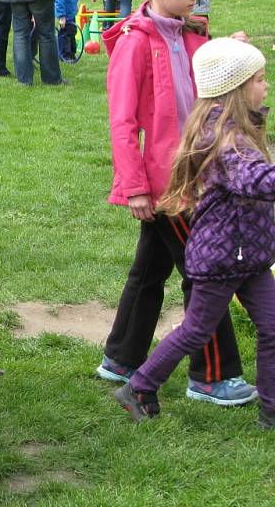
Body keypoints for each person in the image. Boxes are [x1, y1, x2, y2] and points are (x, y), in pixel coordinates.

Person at [98, 0, 257, 407]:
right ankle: (212, 376)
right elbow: (122, 122)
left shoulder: (191, 35)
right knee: (206, 271)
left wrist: (231, 51)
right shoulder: (134, 42)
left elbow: (208, 87)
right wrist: (134, 188)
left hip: (197, 174)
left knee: (151, 269)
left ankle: (121, 357)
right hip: (169, 186)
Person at [115, 38, 273, 427]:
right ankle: (140, 385)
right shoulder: (226, 138)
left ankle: (271, 409)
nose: (266, 87)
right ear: (236, 89)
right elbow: (258, 181)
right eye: (259, 79)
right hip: (222, 257)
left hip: (248, 255)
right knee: (195, 330)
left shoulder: (234, 127)